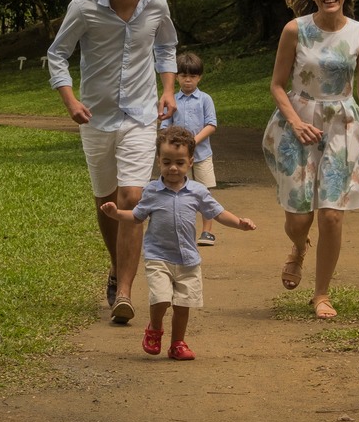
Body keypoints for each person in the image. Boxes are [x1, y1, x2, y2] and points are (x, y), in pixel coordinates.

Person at [47, 0, 179, 325]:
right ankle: (115, 266)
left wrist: (168, 89)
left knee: (132, 196)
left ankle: (124, 292)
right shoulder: (84, 7)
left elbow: (166, 47)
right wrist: (70, 101)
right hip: (95, 118)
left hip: (140, 116)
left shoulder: (157, 4)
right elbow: (57, 54)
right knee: (106, 201)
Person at [262, 0, 359, 320]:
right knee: (299, 219)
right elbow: (277, 85)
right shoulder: (295, 30)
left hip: (342, 126)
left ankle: (322, 294)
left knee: (331, 214)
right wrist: (296, 122)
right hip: (297, 123)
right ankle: (298, 248)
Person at [100, 126, 256, 360]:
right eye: (167, 162)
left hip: (187, 259)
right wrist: (115, 214)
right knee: (161, 299)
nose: (173, 168)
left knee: (183, 305)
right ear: (159, 161)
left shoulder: (198, 191)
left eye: (180, 163)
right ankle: (154, 328)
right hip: (158, 257)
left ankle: (177, 343)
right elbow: (136, 216)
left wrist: (240, 223)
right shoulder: (152, 191)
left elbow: (218, 212)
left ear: (190, 162)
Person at [162, 51, 220, 247]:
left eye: (192, 76)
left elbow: (211, 124)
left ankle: (207, 231)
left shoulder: (205, 99)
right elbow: (164, 127)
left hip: (202, 154)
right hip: (178, 158)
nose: (188, 80)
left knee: (204, 191)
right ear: (177, 77)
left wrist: (193, 141)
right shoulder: (172, 100)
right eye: (184, 76)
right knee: (178, 190)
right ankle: (180, 232)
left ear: (199, 77)